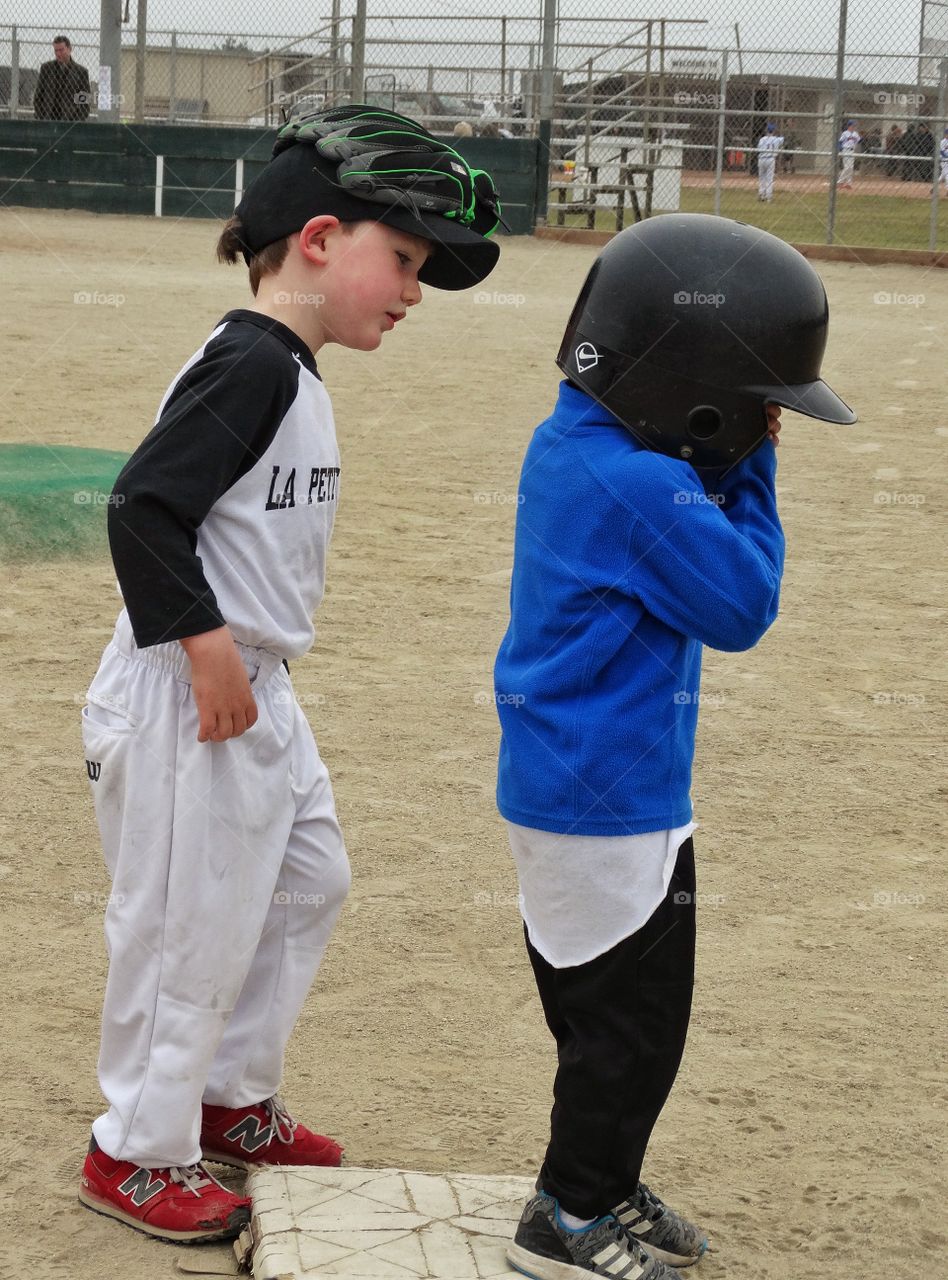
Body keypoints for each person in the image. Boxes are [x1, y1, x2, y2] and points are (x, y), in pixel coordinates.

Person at [78, 104, 501, 1245]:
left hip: (254, 681)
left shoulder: (296, 369)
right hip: (193, 683)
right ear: (319, 240)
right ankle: (136, 1147)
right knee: (185, 925)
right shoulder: (253, 362)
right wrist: (206, 644)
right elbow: (143, 505)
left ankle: (229, 1096)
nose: (412, 290)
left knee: (310, 876)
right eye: (402, 260)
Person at [493, 214, 855, 1280]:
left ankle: (604, 1181)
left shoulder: (582, 442)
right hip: (603, 797)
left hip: (595, 784)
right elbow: (742, 603)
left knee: (632, 1017)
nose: (762, 423)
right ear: (684, 378)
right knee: (627, 1028)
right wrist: (748, 467)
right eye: (753, 403)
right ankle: (566, 1214)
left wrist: (725, 444)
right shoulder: (640, 483)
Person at [33, 34, 91, 121]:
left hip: (70, 121)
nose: (58, 54)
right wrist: (41, 116)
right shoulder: (46, 69)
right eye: (56, 50)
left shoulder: (81, 72)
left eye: (61, 50)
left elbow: (84, 102)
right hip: (48, 119)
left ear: (69, 49)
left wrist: (76, 121)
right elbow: (38, 95)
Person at [756, 121, 783, 201]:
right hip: (771, 159)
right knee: (769, 179)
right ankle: (769, 197)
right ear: (774, 131)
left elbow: (758, 148)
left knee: (762, 178)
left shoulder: (762, 139)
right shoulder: (776, 139)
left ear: (766, 130)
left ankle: (761, 194)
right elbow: (783, 139)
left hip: (761, 159)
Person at [837, 119, 860, 188]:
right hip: (846, 150)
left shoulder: (856, 134)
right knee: (847, 167)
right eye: (853, 125)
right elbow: (840, 142)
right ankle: (840, 182)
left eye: (854, 125)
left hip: (852, 151)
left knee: (851, 167)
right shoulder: (845, 133)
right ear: (849, 126)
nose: (854, 126)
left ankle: (848, 183)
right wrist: (840, 149)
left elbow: (859, 140)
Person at [940, 127, 948, 194]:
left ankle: (934, 188)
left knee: (942, 176)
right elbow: (941, 152)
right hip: (943, 161)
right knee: (947, 174)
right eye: (947, 134)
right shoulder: (943, 142)